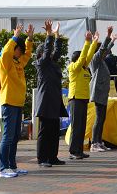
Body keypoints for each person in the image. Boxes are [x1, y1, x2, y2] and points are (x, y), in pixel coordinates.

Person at [0, 23, 34, 178]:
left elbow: (27, 55)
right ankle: (3, 168)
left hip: (17, 104)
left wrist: (29, 38)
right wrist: (15, 36)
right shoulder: (5, 62)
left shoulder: (18, 62)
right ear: (14, 49)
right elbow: (6, 52)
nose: (21, 53)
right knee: (8, 136)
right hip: (9, 103)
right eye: (19, 50)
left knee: (15, 136)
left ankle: (12, 165)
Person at [33, 20, 68, 168]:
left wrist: (57, 35)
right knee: (45, 131)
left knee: (54, 131)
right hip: (46, 101)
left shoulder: (52, 63)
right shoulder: (41, 63)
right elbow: (48, 51)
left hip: (54, 101)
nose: (51, 53)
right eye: (47, 52)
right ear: (41, 54)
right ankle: (42, 158)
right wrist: (48, 35)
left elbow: (57, 51)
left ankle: (53, 157)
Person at [68, 31, 98, 160]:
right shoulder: (73, 67)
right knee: (76, 126)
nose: (84, 60)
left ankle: (79, 150)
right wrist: (86, 42)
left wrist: (94, 42)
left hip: (83, 99)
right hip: (75, 99)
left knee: (82, 126)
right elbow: (82, 59)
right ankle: (74, 151)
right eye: (81, 58)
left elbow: (89, 56)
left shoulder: (84, 68)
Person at [89, 26, 117, 153]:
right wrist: (108, 36)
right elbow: (102, 50)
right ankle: (94, 143)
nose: (105, 52)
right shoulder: (95, 59)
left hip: (102, 92)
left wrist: (112, 41)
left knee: (102, 118)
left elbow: (104, 51)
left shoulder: (101, 60)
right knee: (99, 118)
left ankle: (99, 141)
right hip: (98, 92)